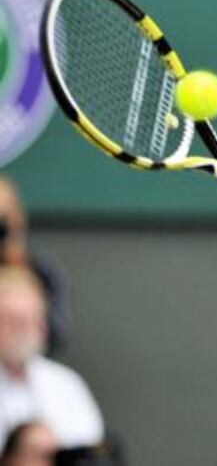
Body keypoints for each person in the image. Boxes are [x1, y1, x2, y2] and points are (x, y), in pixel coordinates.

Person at [0, 267, 103, 448]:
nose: (23, 332)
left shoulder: (65, 384)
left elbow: (88, 449)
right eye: (13, 321)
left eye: (32, 320)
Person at [0, 177, 71, 354]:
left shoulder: (44, 271)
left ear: (17, 219)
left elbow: (58, 333)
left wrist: (18, 265)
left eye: (4, 219)